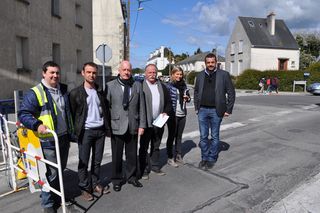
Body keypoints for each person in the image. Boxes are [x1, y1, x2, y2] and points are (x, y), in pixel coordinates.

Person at [18, 61, 74, 213]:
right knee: (50, 173)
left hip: (62, 137)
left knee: (59, 171)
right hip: (47, 141)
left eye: (57, 72)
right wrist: (37, 125)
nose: (55, 75)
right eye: (52, 73)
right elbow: (23, 114)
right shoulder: (35, 92)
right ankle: (48, 204)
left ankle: (57, 196)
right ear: (44, 73)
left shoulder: (62, 89)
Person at [69, 62, 111, 201]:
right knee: (83, 161)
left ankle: (95, 184)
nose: (92, 75)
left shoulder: (100, 91)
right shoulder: (75, 93)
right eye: (89, 72)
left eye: (94, 72)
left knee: (97, 161)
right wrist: (75, 131)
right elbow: (73, 113)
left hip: (100, 131)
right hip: (85, 132)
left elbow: (105, 110)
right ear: (83, 73)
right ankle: (85, 188)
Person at [106, 60, 146, 192]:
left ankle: (132, 177)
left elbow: (142, 107)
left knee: (132, 154)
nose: (127, 72)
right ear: (119, 70)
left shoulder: (137, 85)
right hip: (116, 126)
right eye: (124, 70)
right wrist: (107, 127)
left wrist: (142, 125)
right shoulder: (110, 86)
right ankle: (116, 180)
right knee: (117, 156)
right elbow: (106, 108)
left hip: (133, 125)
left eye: (129, 70)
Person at [194, 53, 235, 171]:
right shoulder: (200, 75)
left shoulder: (224, 75)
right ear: (205, 63)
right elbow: (196, 92)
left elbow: (231, 93)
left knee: (215, 136)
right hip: (202, 110)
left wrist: (228, 109)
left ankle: (212, 158)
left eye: (212, 62)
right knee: (203, 136)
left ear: (216, 62)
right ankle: (204, 157)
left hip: (216, 110)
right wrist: (197, 107)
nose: (210, 64)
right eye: (208, 62)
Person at [139, 64, 172, 180]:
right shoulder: (140, 86)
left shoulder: (162, 86)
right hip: (146, 122)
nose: (152, 75)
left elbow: (168, 103)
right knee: (143, 147)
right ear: (145, 73)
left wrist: (165, 112)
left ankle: (155, 166)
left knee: (156, 145)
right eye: (150, 72)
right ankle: (143, 169)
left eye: (154, 73)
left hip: (159, 121)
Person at [166, 67, 191, 166]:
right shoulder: (169, 86)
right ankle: (170, 157)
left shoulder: (184, 86)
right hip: (173, 115)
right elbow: (166, 101)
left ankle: (178, 155)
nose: (179, 76)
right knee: (171, 136)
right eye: (177, 74)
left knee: (179, 136)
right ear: (172, 74)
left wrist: (187, 98)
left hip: (182, 114)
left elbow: (188, 99)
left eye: (180, 74)